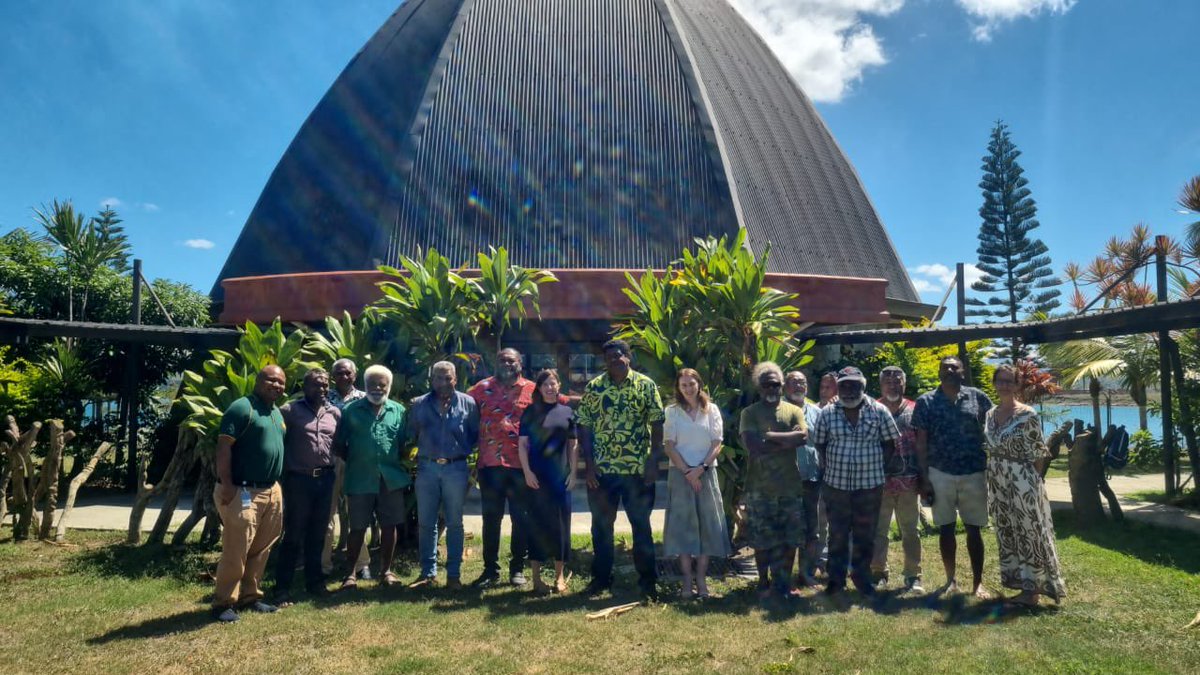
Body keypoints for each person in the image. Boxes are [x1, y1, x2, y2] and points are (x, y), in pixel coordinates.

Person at [577, 339, 665, 600]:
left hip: (638, 471)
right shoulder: (595, 387)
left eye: (618, 355)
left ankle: (648, 581)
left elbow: (657, 424)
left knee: (641, 526)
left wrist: (654, 462)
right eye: (609, 358)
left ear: (628, 357)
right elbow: (584, 426)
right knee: (601, 527)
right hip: (602, 472)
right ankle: (601, 579)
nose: (614, 360)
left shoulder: (646, 386)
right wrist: (589, 467)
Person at [812, 366, 900, 597]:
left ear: (863, 386)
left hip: (870, 485)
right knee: (837, 534)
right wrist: (831, 466)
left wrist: (876, 467)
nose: (849, 389)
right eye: (844, 385)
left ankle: (862, 579)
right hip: (836, 485)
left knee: (865, 534)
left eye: (854, 385)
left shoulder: (879, 410)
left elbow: (890, 443)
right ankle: (836, 581)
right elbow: (820, 444)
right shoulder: (827, 413)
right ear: (838, 387)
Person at [985, 364, 1066, 607]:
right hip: (997, 481)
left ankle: (1034, 590)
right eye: (1000, 380)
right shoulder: (990, 414)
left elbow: (1038, 454)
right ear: (994, 383)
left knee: (1029, 532)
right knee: (1008, 530)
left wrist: (1032, 483)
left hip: (1021, 480)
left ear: (1017, 385)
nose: (1004, 385)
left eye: (1009, 381)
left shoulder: (1027, 414)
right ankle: (1021, 584)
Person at [211, 365, 288, 623]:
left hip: (270, 490)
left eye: (281, 382)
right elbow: (224, 447)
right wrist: (227, 484)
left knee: (261, 547)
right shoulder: (243, 408)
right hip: (243, 489)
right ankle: (223, 602)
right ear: (258, 381)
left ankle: (250, 596)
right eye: (271, 380)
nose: (276, 385)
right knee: (237, 548)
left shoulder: (276, 412)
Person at [913, 357, 994, 599]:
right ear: (939, 372)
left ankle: (978, 583)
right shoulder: (926, 401)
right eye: (945, 367)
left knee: (974, 530)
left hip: (973, 472)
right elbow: (921, 442)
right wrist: (924, 478)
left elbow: (993, 430)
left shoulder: (978, 398)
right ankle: (950, 580)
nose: (949, 370)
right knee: (946, 528)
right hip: (940, 472)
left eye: (954, 367)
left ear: (962, 372)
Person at [333, 365, 409, 589]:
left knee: (389, 526)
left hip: (390, 479)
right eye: (372, 384)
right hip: (360, 478)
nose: (377, 388)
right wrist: (358, 460)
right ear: (365, 386)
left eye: (382, 384)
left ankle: (386, 571)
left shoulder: (398, 411)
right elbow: (339, 445)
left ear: (389, 387)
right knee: (357, 528)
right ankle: (350, 574)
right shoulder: (350, 411)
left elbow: (402, 444)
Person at [739, 361, 807, 600]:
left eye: (776, 385)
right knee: (762, 540)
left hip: (790, 487)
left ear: (782, 385)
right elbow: (753, 446)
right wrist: (786, 441)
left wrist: (769, 436)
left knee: (790, 539)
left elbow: (803, 437)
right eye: (767, 385)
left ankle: (784, 582)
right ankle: (763, 581)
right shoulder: (749, 413)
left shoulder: (793, 410)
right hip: (759, 488)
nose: (772, 389)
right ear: (759, 387)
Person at [408, 361, 479, 589]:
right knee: (426, 523)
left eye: (448, 378)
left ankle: (454, 575)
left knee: (455, 523)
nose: (443, 383)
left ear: (455, 379)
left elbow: (475, 435)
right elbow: (412, 433)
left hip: (456, 468)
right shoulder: (418, 404)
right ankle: (428, 573)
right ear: (432, 380)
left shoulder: (468, 403)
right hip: (427, 468)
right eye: (438, 378)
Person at [468, 348, 534, 588]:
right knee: (491, 519)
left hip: (521, 466)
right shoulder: (480, 388)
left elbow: (557, 402)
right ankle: (490, 570)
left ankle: (517, 568)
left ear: (520, 363)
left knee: (521, 518)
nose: (506, 363)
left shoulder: (532, 389)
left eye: (510, 360)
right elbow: (458, 404)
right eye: (501, 360)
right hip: (490, 465)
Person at [662, 368, 730, 600]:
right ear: (678, 388)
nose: (688, 389)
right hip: (680, 475)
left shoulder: (711, 410)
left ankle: (701, 580)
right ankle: (686, 580)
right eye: (683, 385)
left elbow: (717, 443)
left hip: (706, 473)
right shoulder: (672, 412)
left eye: (692, 384)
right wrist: (687, 472)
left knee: (706, 527)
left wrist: (701, 469)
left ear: (699, 384)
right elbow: (669, 446)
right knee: (683, 528)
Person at [274, 368, 340, 604]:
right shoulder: (289, 411)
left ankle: (315, 583)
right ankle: (282, 587)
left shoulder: (335, 413)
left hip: (325, 479)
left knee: (318, 534)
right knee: (294, 534)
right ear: (304, 387)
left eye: (325, 385)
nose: (321, 389)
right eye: (316, 384)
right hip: (299, 480)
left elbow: (338, 444)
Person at [518, 369, 578, 595]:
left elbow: (573, 445)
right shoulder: (530, 412)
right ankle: (536, 578)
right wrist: (527, 472)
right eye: (545, 385)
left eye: (553, 383)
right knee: (537, 525)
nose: (550, 388)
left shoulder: (567, 412)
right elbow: (522, 445)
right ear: (539, 389)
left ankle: (559, 577)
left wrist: (573, 473)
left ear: (559, 385)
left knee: (561, 527)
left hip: (561, 478)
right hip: (536, 478)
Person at [870, 366, 923, 593]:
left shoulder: (915, 409)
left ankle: (913, 575)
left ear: (904, 384)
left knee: (910, 530)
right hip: (878, 482)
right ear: (881, 385)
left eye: (897, 382)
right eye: (888, 382)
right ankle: (878, 573)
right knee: (878, 530)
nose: (893, 386)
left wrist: (924, 477)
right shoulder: (871, 409)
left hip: (909, 481)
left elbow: (923, 445)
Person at [324, 358, 370, 580]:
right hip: (329, 460)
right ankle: (324, 564)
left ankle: (361, 565)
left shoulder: (364, 398)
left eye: (347, 373)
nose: (343, 377)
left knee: (356, 514)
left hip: (355, 461)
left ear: (355, 375)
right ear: (333, 376)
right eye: (339, 373)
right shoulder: (323, 398)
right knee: (327, 514)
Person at [784, 370, 825, 586]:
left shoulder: (817, 412)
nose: (799, 386)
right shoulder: (777, 411)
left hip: (812, 479)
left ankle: (806, 573)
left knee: (812, 530)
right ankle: (783, 576)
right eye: (794, 382)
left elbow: (823, 444)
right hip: (786, 481)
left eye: (802, 382)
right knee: (788, 529)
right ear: (785, 386)